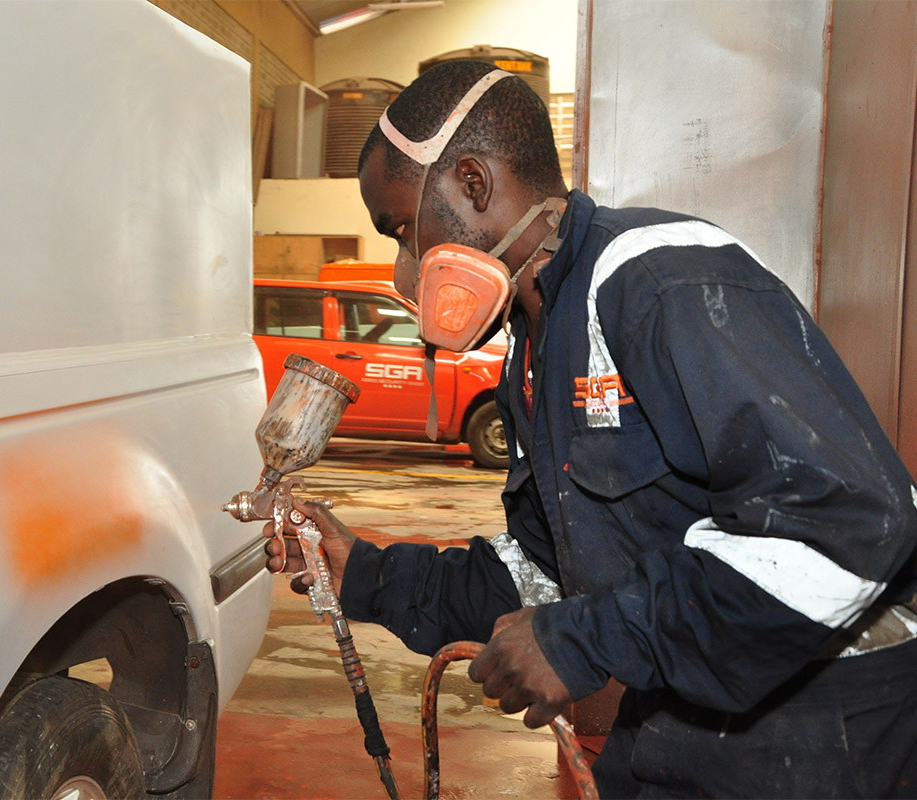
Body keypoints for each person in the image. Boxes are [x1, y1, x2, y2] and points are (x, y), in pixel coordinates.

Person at [264, 59, 917, 798]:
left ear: (472, 185)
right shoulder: (535, 348)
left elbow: (850, 522)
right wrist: (367, 574)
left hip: (822, 728)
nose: (407, 273)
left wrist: (591, 638)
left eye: (403, 229)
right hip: (687, 712)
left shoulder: (659, 282)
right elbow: (544, 573)